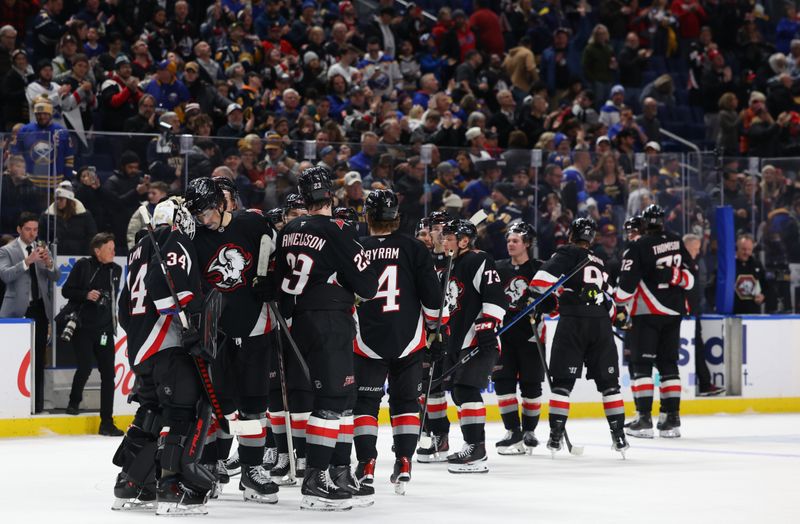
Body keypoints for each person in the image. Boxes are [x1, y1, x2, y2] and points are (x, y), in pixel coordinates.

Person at [274, 166, 378, 511]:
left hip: (299, 320)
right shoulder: (339, 229)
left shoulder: (288, 229)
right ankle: (315, 478)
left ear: (303, 198)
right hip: (330, 320)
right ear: (330, 196)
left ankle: (339, 469)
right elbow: (368, 286)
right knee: (334, 400)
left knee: (343, 397)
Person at [114, 197, 214, 515]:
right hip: (167, 345)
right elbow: (169, 290)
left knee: (151, 413)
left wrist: (138, 338)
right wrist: (191, 327)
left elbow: (123, 309)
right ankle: (171, 487)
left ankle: (132, 482)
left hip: (141, 349)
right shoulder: (176, 240)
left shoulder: (137, 249)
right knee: (180, 413)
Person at [185, 177, 280, 504]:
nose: (205, 219)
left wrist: (273, 283)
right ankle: (209, 467)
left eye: (209, 211)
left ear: (223, 203)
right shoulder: (194, 237)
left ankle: (252, 471)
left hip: (255, 326)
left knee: (254, 405)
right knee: (216, 406)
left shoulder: (252, 223)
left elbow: (277, 260)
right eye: (199, 215)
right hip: (216, 333)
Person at [352, 190, 445, 493]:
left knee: (365, 402)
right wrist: (436, 328)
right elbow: (432, 296)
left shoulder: (357, 247)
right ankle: (404, 460)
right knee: (406, 401)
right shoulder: (414, 248)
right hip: (408, 337)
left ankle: (366, 463)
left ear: (367, 216)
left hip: (366, 338)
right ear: (397, 218)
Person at [531, 217, 629, 455]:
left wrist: (548, 302)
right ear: (592, 238)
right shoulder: (601, 261)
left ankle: (555, 438)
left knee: (563, 385)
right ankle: (619, 437)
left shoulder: (567, 252)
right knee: (610, 386)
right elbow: (612, 305)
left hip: (573, 323)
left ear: (571, 235)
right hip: (601, 326)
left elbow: (538, 283)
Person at [421, 218, 506, 473]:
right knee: (456, 392)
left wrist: (488, 325)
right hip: (455, 340)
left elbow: (494, 294)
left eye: (448, 237)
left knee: (467, 389)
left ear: (465, 240)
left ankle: (476, 449)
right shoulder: (447, 265)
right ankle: (460, 444)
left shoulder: (478, 260)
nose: (443, 241)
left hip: (479, 338)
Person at [615, 205, 694, 439]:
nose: (630, 234)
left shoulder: (639, 247)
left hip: (648, 312)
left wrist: (613, 300)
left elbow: (625, 290)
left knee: (641, 365)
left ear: (643, 225)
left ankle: (644, 419)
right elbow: (690, 279)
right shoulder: (677, 241)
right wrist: (673, 276)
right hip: (674, 311)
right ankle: (671, 419)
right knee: (668, 365)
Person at [60, 232, 122, 434]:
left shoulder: (117, 270)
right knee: (85, 367)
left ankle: (106, 422)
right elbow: (66, 291)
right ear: (97, 251)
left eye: (114, 248)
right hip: (83, 327)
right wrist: (86, 294)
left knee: (108, 376)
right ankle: (74, 401)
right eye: (109, 249)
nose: (114, 252)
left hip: (104, 330)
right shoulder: (83, 266)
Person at [492, 223, 545, 455]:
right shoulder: (498, 268)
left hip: (531, 335)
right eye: (509, 240)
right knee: (503, 383)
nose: (510, 244)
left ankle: (529, 431)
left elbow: (553, 301)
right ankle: (512, 430)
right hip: (503, 335)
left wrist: (538, 306)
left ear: (527, 244)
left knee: (531, 385)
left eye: (515, 240)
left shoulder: (539, 269)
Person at [0, 212, 60, 413]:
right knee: (12, 358)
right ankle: (10, 402)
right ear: (19, 229)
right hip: (16, 313)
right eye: (28, 229)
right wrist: (27, 261)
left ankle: (38, 404)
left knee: (38, 358)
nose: (32, 233)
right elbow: (5, 275)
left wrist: (49, 263)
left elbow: (55, 276)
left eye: (35, 229)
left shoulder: (41, 249)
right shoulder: (6, 250)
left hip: (39, 310)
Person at [683, 233, 724, 396]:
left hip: (692, 314)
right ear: (687, 247)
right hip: (682, 315)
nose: (697, 252)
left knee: (698, 348)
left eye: (698, 249)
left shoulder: (694, 264)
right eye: (695, 248)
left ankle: (705, 384)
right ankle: (702, 384)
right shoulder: (681, 264)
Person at [39, 180, 98, 256]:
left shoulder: (85, 215)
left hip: (80, 257)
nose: (57, 201)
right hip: (55, 257)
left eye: (61, 199)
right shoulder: (47, 216)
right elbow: (41, 239)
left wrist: (87, 255)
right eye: (56, 199)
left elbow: (92, 237)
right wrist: (44, 254)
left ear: (69, 200)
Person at [732, 233, 767, 314]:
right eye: (744, 249)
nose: (746, 252)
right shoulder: (729, 265)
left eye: (749, 250)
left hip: (753, 316)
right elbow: (711, 288)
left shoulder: (756, 264)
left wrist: (763, 297)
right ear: (737, 248)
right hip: (733, 315)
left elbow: (766, 287)